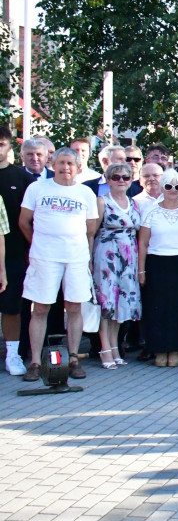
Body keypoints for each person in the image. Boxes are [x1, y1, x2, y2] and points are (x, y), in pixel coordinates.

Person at [19, 147, 99, 381]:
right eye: (61, 163)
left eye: (70, 164)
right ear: (53, 164)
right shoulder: (37, 188)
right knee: (41, 308)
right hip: (44, 257)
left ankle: (73, 359)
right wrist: (38, 244)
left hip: (75, 257)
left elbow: (90, 228)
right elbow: (24, 222)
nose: (65, 168)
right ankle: (35, 362)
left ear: (77, 166)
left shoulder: (86, 193)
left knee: (74, 308)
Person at [138, 168, 178, 368]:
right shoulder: (151, 211)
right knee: (158, 309)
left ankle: (175, 350)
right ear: (162, 187)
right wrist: (141, 270)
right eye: (169, 186)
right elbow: (143, 243)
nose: (173, 190)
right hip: (157, 264)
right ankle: (159, 349)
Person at [92, 162, 142, 369]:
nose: (121, 180)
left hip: (129, 257)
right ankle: (104, 348)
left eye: (125, 177)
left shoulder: (133, 203)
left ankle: (114, 346)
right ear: (108, 180)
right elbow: (91, 232)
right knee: (107, 303)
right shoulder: (102, 202)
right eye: (116, 177)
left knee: (121, 303)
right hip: (107, 256)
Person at [0, 127, 34, 375]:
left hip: (13, 254)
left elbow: (32, 220)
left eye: (1, 143)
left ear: (10, 146)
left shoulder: (21, 179)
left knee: (12, 307)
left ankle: (13, 355)